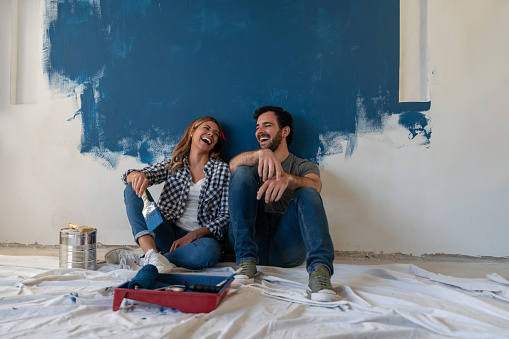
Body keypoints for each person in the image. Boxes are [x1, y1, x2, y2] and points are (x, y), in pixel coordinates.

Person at [228, 106, 337, 302]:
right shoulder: (251, 161)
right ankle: (245, 263)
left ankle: (320, 273)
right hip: (254, 240)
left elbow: (315, 184)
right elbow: (233, 165)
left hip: (288, 245)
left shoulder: (303, 165)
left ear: (284, 131)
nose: (260, 131)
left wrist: (288, 179)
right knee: (243, 172)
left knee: (307, 191)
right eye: (257, 127)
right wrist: (260, 155)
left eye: (267, 125)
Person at [106, 117, 230, 273]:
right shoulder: (175, 165)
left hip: (199, 242)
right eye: (206, 129)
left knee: (211, 251)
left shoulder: (223, 170)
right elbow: (129, 176)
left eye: (216, 133)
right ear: (192, 132)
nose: (211, 134)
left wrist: (193, 235)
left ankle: (148, 257)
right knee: (133, 188)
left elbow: (225, 217)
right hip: (165, 232)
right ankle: (151, 252)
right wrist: (137, 176)